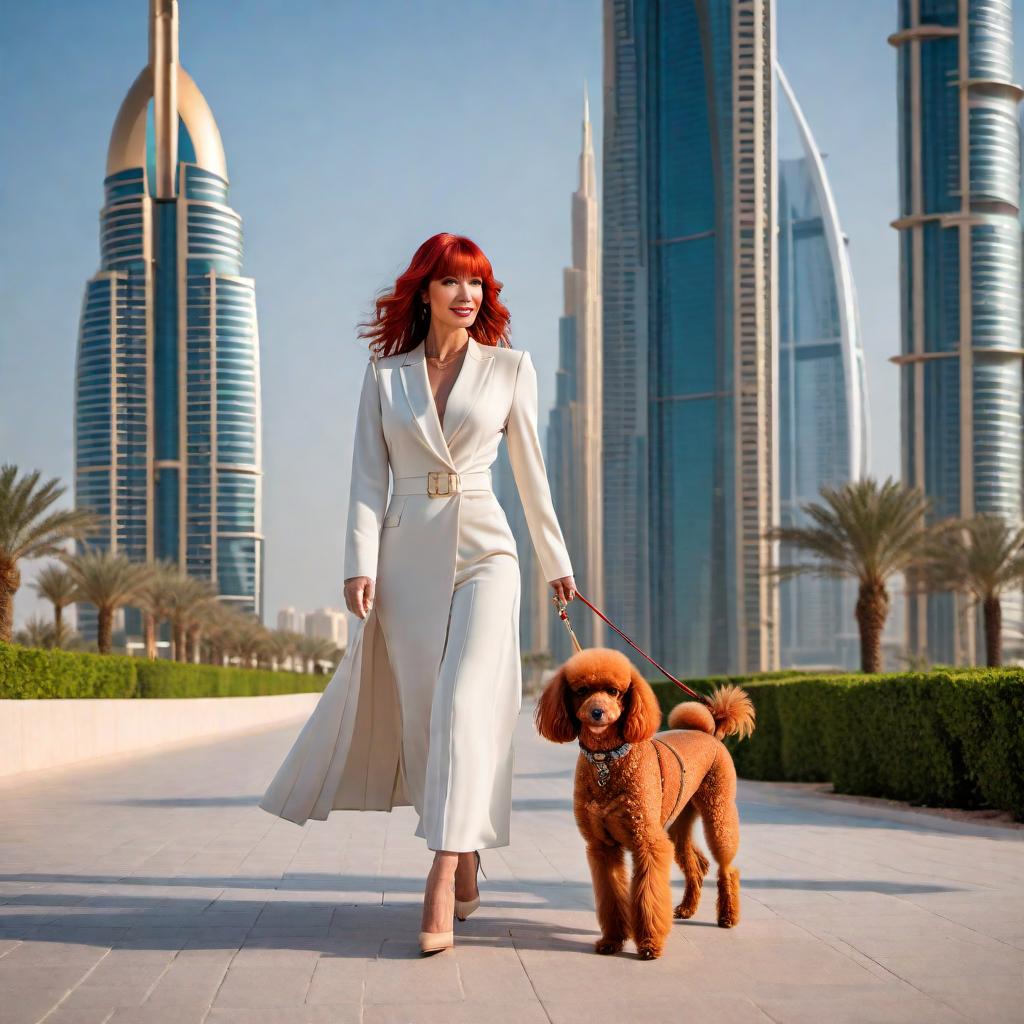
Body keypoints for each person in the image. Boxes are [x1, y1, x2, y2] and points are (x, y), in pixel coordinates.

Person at [259, 232, 576, 955]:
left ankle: (438, 872)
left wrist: (557, 562)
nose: (468, 295)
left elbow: (531, 476)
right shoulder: (385, 377)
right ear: (425, 292)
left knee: (466, 702)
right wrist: (356, 563)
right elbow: (367, 478)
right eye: (453, 283)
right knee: (426, 719)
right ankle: (464, 851)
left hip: (487, 550)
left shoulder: (509, 369)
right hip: (403, 557)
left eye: (478, 285)